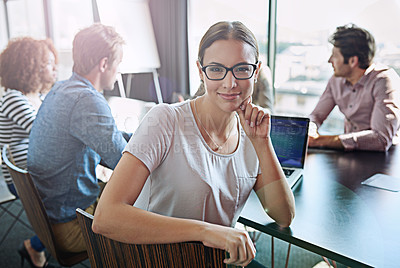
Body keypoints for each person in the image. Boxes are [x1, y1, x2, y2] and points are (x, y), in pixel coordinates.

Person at [92, 21, 295, 267]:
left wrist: (262, 143)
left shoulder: (252, 134)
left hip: (210, 260)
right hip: (154, 259)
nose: (230, 83)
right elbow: (105, 217)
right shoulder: (165, 119)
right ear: (200, 71)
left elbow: (284, 216)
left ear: (256, 71)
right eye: (217, 69)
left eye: (241, 69)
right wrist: (206, 231)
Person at [27, 23, 128, 256]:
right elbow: (123, 163)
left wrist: (146, 138)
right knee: (152, 217)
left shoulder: (62, 88)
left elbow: (108, 138)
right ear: (104, 64)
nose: (119, 71)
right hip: (71, 227)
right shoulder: (87, 100)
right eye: (118, 64)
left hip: (48, 214)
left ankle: (33, 247)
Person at [0, 37, 57, 268]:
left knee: (76, 197)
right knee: (69, 204)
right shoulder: (13, 98)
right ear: (30, 65)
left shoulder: (38, 97)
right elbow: (46, 133)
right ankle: (34, 246)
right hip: (24, 179)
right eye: (49, 63)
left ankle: (35, 247)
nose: (55, 68)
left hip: (38, 171)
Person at [308, 24, 400, 151]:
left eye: (334, 55)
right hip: (349, 154)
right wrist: (309, 131)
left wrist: (319, 141)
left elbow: (380, 139)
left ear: (352, 61)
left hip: (384, 159)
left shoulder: (384, 80)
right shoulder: (336, 80)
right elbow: (316, 116)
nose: (330, 60)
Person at [194, 65, 274, 112]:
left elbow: (267, 110)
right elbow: (196, 100)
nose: (229, 85)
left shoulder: (262, 73)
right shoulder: (211, 73)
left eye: (242, 69)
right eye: (216, 69)